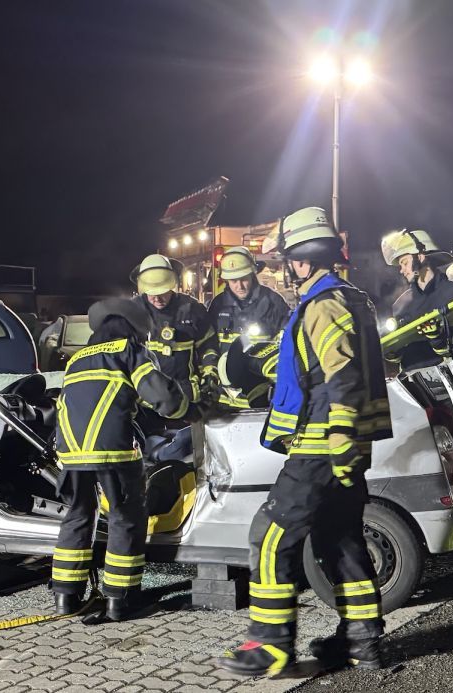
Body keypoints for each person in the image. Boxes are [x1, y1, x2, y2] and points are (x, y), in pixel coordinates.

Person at [217, 206, 392, 676]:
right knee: (342, 539)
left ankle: (271, 645)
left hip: (321, 444)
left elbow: (343, 376)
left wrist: (337, 443)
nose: (286, 272)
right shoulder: (353, 298)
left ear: (301, 259)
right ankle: (362, 644)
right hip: (343, 445)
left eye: (287, 262)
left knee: (270, 535)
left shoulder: (324, 302)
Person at [50, 298, 190, 621]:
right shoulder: (128, 351)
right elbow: (163, 397)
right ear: (133, 329)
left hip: (71, 452)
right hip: (112, 450)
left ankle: (65, 598)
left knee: (77, 516)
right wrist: (187, 409)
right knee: (125, 517)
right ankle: (120, 600)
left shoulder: (76, 360)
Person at [130, 254, 220, 409]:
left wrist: (210, 373)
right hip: (146, 403)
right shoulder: (132, 312)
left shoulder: (193, 310)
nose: (157, 298)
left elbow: (209, 345)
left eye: (162, 291)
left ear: (172, 285)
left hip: (188, 398)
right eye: (152, 293)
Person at [207, 246, 290, 409]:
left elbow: (287, 348)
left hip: (261, 399)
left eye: (244, 278)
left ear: (253, 275)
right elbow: (209, 347)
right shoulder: (217, 305)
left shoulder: (274, 303)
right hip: (225, 402)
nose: (240, 286)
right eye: (233, 281)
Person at [380, 229, 453, 368]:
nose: (402, 270)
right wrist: (392, 351)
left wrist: (438, 340)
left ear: (420, 257)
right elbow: (400, 358)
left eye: (404, 262)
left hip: (450, 381)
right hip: (414, 385)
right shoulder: (401, 304)